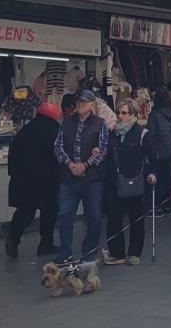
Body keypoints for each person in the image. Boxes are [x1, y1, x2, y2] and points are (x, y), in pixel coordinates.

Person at [53, 90, 109, 264]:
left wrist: (85, 165)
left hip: (91, 179)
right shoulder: (66, 122)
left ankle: (89, 252)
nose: (80, 105)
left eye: (85, 102)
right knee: (64, 216)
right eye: (78, 102)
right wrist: (70, 164)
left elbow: (103, 149)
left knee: (93, 216)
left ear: (92, 104)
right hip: (69, 178)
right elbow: (57, 146)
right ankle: (64, 253)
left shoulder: (100, 124)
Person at [103, 99, 158, 266]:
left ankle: (134, 253)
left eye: (124, 113)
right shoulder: (113, 133)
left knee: (136, 218)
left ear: (133, 114)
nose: (120, 116)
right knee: (113, 218)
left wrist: (153, 173)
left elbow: (153, 156)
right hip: (115, 181)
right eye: (119, 112)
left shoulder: (141, 133)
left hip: (135, 180)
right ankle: (116, 252)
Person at [6, 102, 61, 258]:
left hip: (22, 179)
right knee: (49, 212)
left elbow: (13, 154)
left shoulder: (25, 130)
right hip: (47, 181)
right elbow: (59, 156)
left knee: (25, 211)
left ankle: (13, 238)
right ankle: (45, 244)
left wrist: (14, 174)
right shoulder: (56, 131)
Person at [147, 89, 171, 216]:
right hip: (170, 149)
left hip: (158, 151)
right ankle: (168, 205)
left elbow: (151, 134)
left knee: (156, 179)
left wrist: (148, 150)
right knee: (167, 178)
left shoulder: (154, 115)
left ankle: (157, 206)